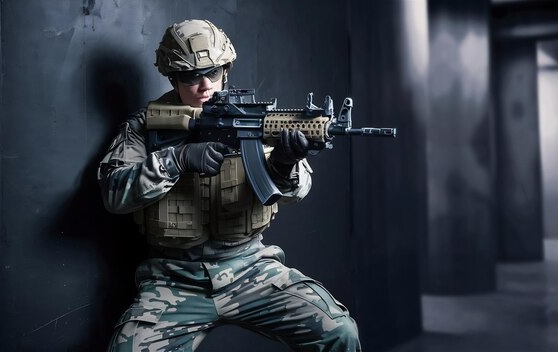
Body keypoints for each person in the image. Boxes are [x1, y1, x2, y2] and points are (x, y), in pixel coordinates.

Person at [98, 19, 361, 352]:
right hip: (173, 278)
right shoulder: (144, 126)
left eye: (214, 72)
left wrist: (283, 164)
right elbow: (113, 194)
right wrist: (176, 159)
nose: (205, 85)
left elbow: (299, 190)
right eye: (192, 76)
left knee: (340, 331)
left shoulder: (255, 119)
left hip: (251, 269)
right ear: (172, 77)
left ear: (226, 69)